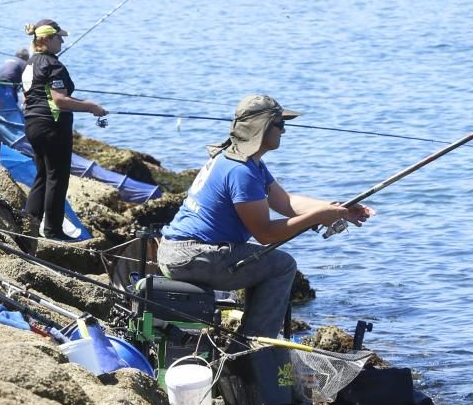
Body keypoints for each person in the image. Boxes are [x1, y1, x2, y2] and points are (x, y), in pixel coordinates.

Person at [156, 95, 375, 341]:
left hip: (179, 251)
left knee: (268, 261)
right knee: (282, 265)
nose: (284, 131)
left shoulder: (243, 160)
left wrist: (339, 209)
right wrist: (318, 217)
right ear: (261, 127)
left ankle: (249, 339)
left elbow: (286, 202)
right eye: (280, 124)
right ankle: (252, 344)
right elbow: (266, 234)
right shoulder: (241, 171)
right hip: (192, 256)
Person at [21, 20, 105, 240]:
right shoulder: (53, 65)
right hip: (52, 126)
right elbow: (60, 101)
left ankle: (28, 223)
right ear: (47, 39)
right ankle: (52, 230)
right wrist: (91, 107)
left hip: (32, 124)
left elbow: (29, 97)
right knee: (57, 177)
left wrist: (84, 103)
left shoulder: (31, 63)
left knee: (42, 175)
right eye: (59, 37)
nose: (62, 41)